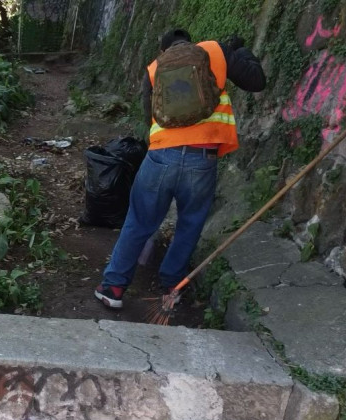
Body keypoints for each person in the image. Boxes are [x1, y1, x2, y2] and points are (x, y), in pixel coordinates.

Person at [94, 29, 266, 309]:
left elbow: (149, 118)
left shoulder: (154, 68)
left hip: (161, 156)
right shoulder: (215, 50)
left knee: (139, 221)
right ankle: (171, 288)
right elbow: (257, 81)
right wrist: (237, 50)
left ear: (164, 51)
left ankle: (113, 287)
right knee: (190, 224)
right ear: (191, 42)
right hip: (203, 158)